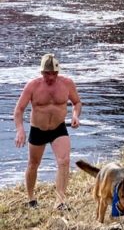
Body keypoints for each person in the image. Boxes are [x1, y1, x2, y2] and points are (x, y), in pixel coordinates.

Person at [12, 53, 82, 209]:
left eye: (54, 73)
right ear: (41, 72)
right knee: (33, 164)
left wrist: (75, 115)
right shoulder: (32, 86)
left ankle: (60, 201)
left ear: (58, 71)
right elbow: (19, 110)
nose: (51, 77)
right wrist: (20, 130)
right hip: (38, 130)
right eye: (47, 73)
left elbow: (77, 102)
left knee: (64, 161)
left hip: (58, 128)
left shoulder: (67, 83)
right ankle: (31, 198)